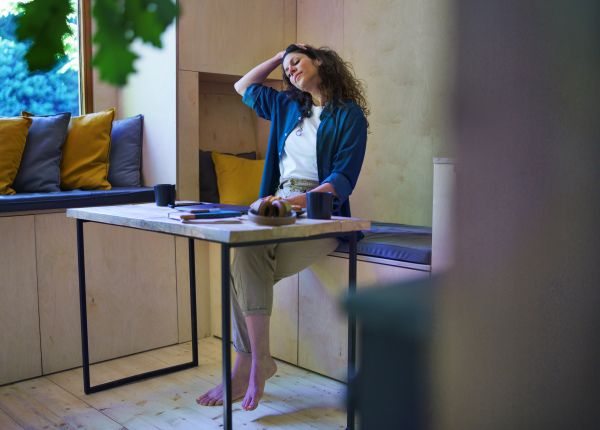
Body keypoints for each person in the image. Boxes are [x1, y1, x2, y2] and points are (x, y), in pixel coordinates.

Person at [196, 44, 369, 411]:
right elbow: (243, 86)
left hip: (320, 211)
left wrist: (288, 204)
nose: (290, 71)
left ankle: (249, 364)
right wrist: (280, 56)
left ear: (320, 62)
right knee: (241, 250)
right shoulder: (286, 105)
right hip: (277, 205)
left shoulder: (350, 116)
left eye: (297, 63)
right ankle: (258, 361)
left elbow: (341, 178)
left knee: (242, 265)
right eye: (286, 69)